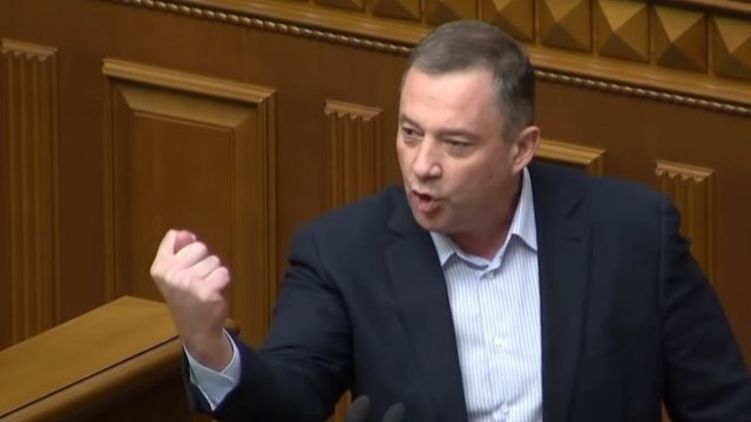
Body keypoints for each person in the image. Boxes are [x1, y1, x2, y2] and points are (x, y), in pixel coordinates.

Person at [150, 20, 751, 421]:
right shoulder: (342, 252)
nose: (423, 165)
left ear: (521, 148)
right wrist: (209, 343)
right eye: (410, 133)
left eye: (456, 144)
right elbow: (287, 406)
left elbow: (723, 407)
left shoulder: (634, 234)